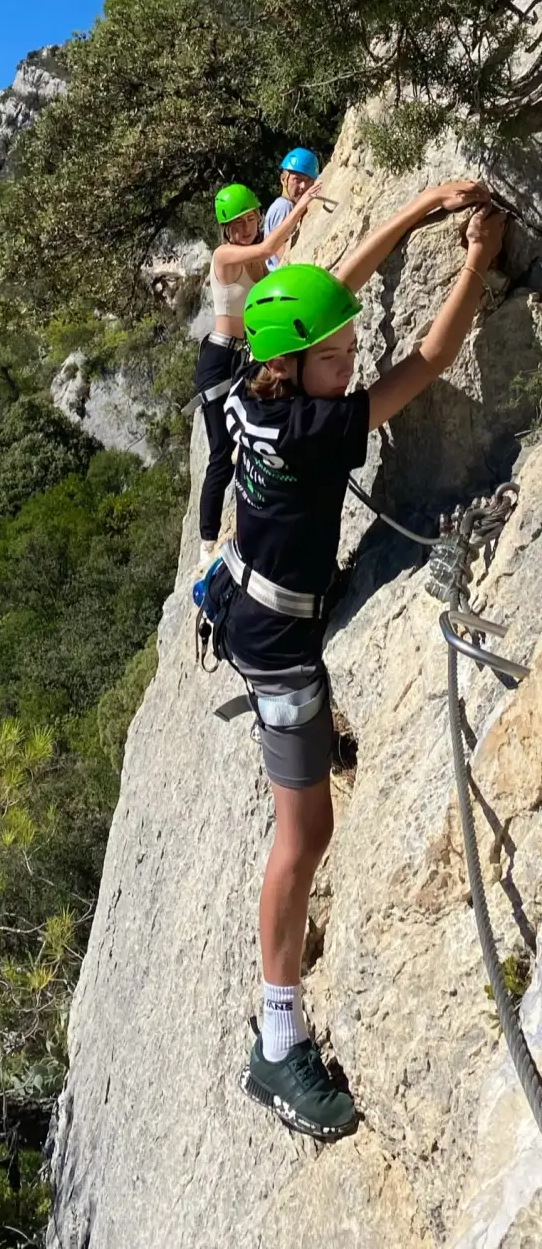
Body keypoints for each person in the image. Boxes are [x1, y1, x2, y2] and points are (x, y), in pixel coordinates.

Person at [205, 180, 501, 1139]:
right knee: (307, 835)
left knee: (307, 820)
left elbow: (328, 291)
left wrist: (416, 208)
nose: (353, 358)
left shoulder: (251, 386)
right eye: (338, 356)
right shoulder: (319, 427)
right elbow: (431, 358)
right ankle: (277, 1043)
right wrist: (475, 258)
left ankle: (278, 1031)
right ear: (298, 369)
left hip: (250, 600)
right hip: (279, 648)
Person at [192, 178, 322, 574]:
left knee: (258, 431)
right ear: (225, 229)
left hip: (243, 358)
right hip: (217, 359)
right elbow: (268, 247)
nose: (244, 227)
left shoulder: (253, 258)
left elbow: (275, 261)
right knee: (221, 454)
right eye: (236, 223)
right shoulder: (224, 255)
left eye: (250, 219)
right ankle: (206, 542)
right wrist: (301, 207)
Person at [263, 148, 320, 271]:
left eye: (308, 180)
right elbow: (280, 251)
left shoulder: (287, 205)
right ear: (284, 179)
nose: (303, 186)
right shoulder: (283, 207)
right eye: (297, 179)